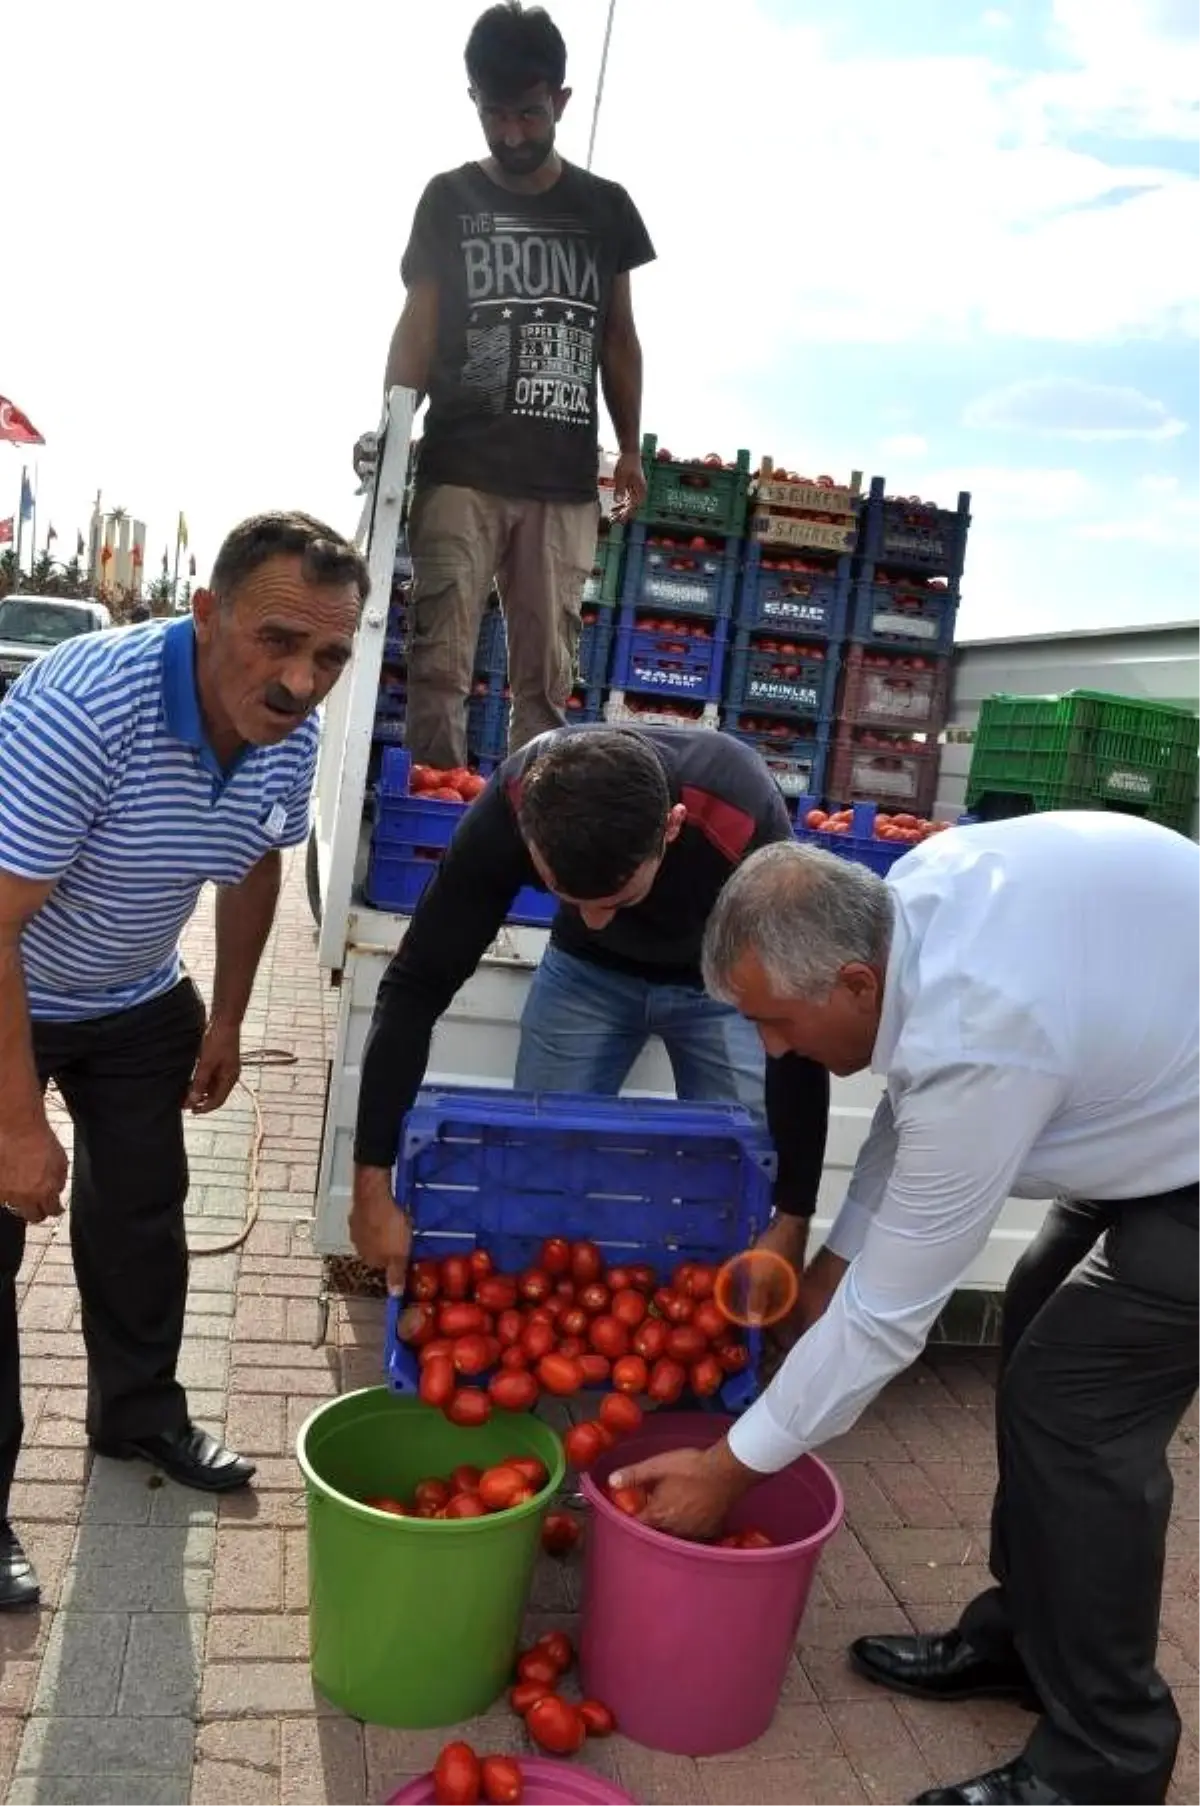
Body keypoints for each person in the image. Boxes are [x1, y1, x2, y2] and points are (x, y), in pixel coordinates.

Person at [610, 816, 1200, 1806]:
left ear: (855, 985)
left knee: (1076, 1409)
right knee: (1038, 1314)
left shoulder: (980, 1034)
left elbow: (890, 1322)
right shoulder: (902, 904)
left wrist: (729, 1468)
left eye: (777, 1023)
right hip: (1153, 1076)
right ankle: (1025, 1637)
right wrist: (836, 1258)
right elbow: (907, 1112)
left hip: (1176, 1120)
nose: (773, 1050)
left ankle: (1108, 1755)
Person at [0, 511, 368, 1611]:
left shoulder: (281, 723)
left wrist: (225, 1023)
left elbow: (254, 865)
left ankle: (141, 1418)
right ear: (205, 614)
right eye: (278, 641)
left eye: (330, 658)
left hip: (132, 999)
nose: (302, 681)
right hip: (14, 981)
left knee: (145, 1215)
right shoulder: (85, 709)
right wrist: (18, 1126)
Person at [348, 726, 830, 1293]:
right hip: (585, 975)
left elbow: (797, 1027)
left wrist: (794, 1219)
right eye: (570, 900)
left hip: (720, 987)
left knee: (743, 1173)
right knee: (540, 1164)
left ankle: (716, 1316)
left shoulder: (739, 813)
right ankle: (547, 1306)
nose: (599, 918)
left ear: (672, 827)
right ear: (530, 841)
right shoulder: (511, 806)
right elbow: (415, 985)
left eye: (618, 899)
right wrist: (370, 1186)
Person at [360, 1, 654, 769]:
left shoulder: (605, 208)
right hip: (461, 466)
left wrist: (630, 449)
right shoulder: (448, 198)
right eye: (495, 115)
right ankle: (434, 804)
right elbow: (417, 321)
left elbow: (617, 336)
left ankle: (533, 819)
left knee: (547, 675)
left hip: (562, 480)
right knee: (440, 657)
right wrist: (392, 427)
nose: (512, 134)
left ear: (559, 100)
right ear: (474, 103)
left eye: (529, 113)